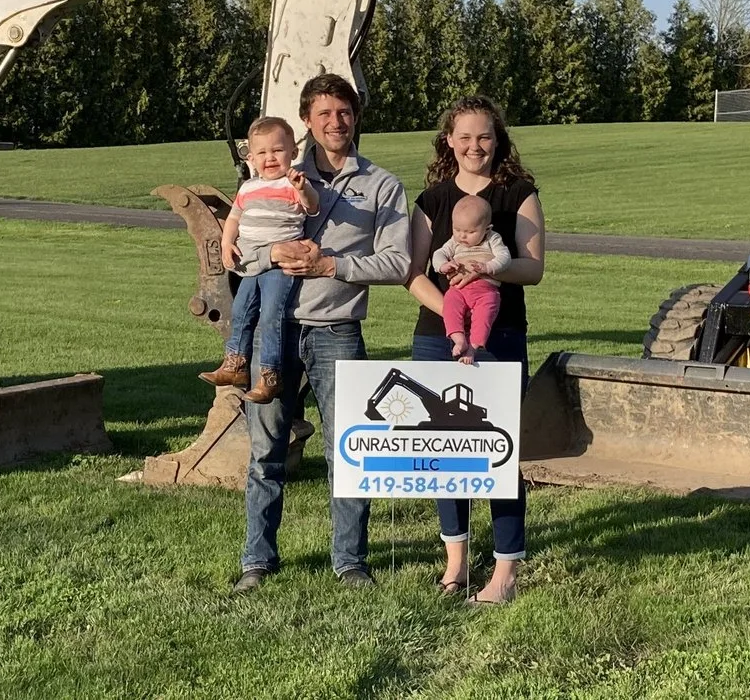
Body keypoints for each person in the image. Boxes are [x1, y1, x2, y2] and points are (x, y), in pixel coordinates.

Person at [233, 73, 410, 594]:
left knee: (348, 450)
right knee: (265, 450)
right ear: (307, 121)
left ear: (356, 117)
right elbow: (241, 250)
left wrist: (332, 264)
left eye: (345, 112)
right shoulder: (272, 169)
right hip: (275, 330)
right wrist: (272, 255)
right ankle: (257, 561)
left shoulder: (381, 185)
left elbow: (398, 261)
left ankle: (350, 562)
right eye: (325, 113)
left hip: (337, 329)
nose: (336, 122)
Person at [405, 96, 546, 606]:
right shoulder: (432, 201)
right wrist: (453, 312)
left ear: (498, 140)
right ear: (449, 140)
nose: (474, 146)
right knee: (447, 455)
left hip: (500, 335)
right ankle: (457, 564)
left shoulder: (518, 195)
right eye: (464, 136)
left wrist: (490, 271)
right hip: (436, 336)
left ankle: (505, 571)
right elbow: (412, 274)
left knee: (497, 451)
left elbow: (532, 269)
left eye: (484, 136)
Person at [199, 116, 318, 403]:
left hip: (278, 266)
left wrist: (302, 188)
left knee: (270, 316)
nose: (270, 158)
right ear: (251, 158)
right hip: (251, 263)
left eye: (277, 151)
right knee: (241, 310)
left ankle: (270, 375)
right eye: (262, 153)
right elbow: (234, 218)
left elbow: (312, 207)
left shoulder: (293, 183)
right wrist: (227, 243)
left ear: (293, 153)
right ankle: (235, 365)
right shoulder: (248, 188)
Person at [427, 194, 508, 364]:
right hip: (459, 290)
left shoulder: (492, 238)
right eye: (457, 230)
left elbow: (504, 257)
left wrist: (487, 267)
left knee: (485, 315)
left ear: (486, 229)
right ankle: (458, 338)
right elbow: (439, 253)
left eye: (470, 232)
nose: (462, 236)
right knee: (449, 303)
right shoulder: (455, 242)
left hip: (486, 290)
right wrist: (442, 265)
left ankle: (473, 347)